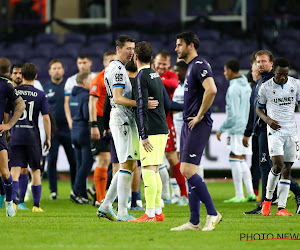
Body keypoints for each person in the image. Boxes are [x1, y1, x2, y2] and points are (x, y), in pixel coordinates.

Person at [171, 32, 221, 231]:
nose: (176, 49)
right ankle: (194, 221)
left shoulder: (199, 65)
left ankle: (213, 213)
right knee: (188, 171)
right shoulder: (191, 66)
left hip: (197, 124)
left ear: (190, 45)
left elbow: (212, 89)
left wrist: (200, 115)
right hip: (188, 124)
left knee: (187, 170)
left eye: (179, 45)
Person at [243, 50, 300, 215]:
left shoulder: (269, 82)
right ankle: (269, 202)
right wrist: (250, 131)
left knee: (272, 166)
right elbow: (255, 109)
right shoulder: (261, 82)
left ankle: (270, 202)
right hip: (262, 129)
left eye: (263, 62)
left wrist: (266, 123)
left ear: (271, 64)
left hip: (271, 130)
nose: (260, 65)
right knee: (270, 166)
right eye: (258, 62)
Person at [97, 35, 139, 221]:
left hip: (122, 119)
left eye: (133, 48)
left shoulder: (117, 68)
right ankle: (122, 212)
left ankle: (106, 205)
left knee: (128, 164)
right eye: (128, 48)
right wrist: (140, 103)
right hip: (122, 120)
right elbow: (118, 98)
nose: (131, 52)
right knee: (127, 164)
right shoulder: (118, 71)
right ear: (118, 49)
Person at [129, 41, 169, 222]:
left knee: (147, 170)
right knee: (155, 169)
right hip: (161, 128)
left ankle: (149, 213)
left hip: (151, 130)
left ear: (135, 57)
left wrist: (143, 135)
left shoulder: (141, 76)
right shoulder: (155, 75)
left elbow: (141, 107)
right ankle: (158, 211)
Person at [7, 63, 51, 212]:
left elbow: (7, 114)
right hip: (33, 137)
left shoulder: (13, 92)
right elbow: (46, 118)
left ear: (22, 76)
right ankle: (36, 206)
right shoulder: (41, 94)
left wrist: (7, 130)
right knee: (35, 170)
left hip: (16, 135)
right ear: (36, 76)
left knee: (15, 170)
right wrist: (48, 138)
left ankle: (12, 202)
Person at [216, 59, 255, 203]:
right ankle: (250, 193)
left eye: (225, 71)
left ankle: (239, 195)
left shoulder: (233, 89)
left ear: (230, 71)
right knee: (241, 159)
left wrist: (222, 129)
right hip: (245, 127)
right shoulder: (246, 86)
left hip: (236, 128)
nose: (225, 74)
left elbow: (232, 114)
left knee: (234, 158)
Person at [154, 50, 188, 206]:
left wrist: (154, 79)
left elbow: (173, 84)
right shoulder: (152, 74)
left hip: (166, 121)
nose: (161, 66)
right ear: (154, 61)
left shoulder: (170, 76)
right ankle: (165, 195)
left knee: (172, 157)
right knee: (153, 161)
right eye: (158, 63)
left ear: (168, 64)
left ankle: (183, 194)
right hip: (149, 121)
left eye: (164, 64)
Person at [43, 59, 76, 200]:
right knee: (52, 160)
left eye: (59, 68)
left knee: (74, 160)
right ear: (50, 72)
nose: (57, 70)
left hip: (69, 129)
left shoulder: (69, 86)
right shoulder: (45, 88)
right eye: (54, 68)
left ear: (63, 70)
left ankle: (75, 189)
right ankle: (53, 191)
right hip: (53, 131)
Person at [89, 51, 116, 204]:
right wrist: (93, 125)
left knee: (114, 161)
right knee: (104, 158)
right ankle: (100, 198)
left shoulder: (120, 77)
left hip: (115, 119)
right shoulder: (98, 79)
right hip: (99, 120)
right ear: (105, 63)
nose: (113, 64)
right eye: (110, 61)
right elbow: (91, 103)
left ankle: (109, 196)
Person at [0, 57, 25, 216]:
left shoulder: (6, 85)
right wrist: (8, 125)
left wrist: (8, 125)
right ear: (9, 71)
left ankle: (8, 201)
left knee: (4, 172)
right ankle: (9, 201)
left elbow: (20, 105)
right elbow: (21, 105)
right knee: (5, 172)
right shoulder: (7, 84)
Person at [69, 71, 94, 203]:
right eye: (90, 80)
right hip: (84, 132)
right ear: (84, 82)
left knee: (80, 164)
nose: (92, 82)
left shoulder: (73, 96)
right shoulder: (86, 96)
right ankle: (76, 190)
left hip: (74, 132)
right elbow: (86, 115)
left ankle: (83, 195)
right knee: (87, 163)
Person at [64, 54, 96, 130]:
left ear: (90, 63)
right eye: (80, 63)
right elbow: (66, 103)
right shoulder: (71, 80)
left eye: (84, 62)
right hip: (78, 123)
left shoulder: (96, 78)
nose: (82, 66)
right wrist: (70, 121)